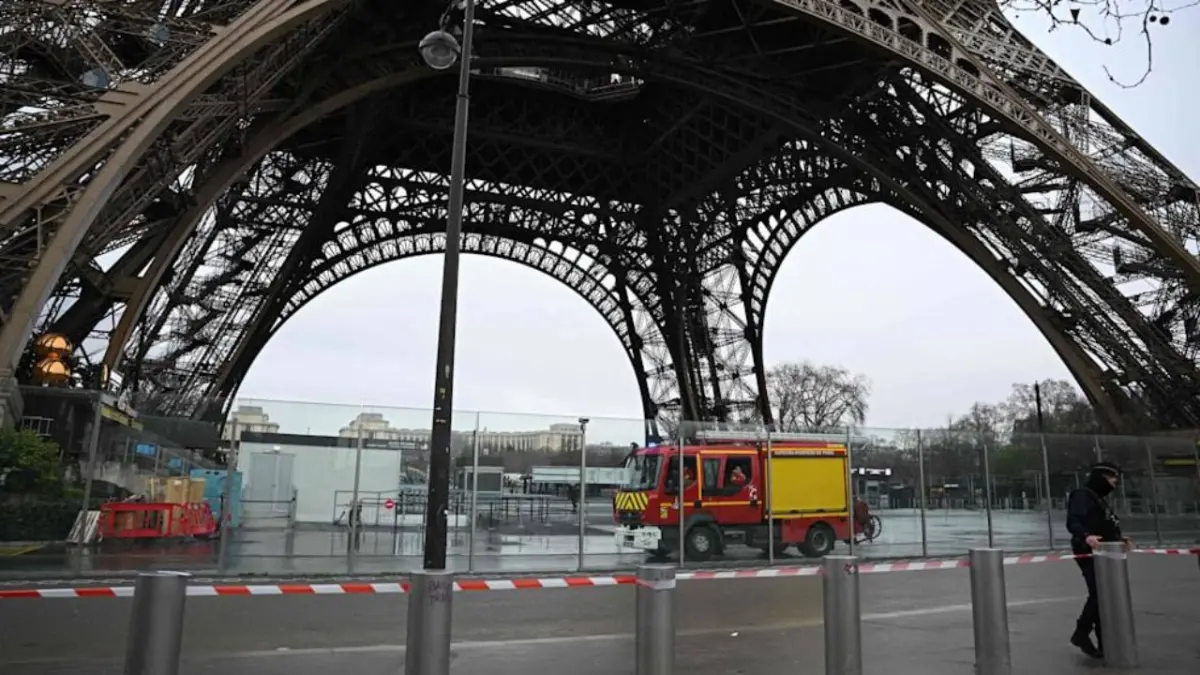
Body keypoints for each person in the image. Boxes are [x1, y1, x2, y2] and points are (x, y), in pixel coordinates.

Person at [1066, 461, 1133, 659]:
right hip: (1089, 551)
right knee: (1100, 593)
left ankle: (1105, 640)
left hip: (1106, 551)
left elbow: (1104, 522)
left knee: (1105, 595)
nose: (1114, 483)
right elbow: (1074, 521)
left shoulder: (1098, 499)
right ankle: (1081, 633)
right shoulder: (1082, 495)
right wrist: (1086, 536)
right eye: (1112, 478)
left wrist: (1119, 538)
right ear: (1101, 477)